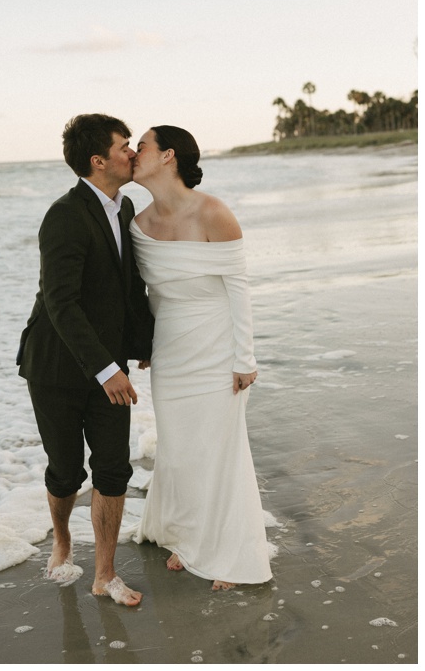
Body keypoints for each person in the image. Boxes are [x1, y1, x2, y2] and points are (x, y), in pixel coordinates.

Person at [16, 113, 154, 607]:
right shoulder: (64, 215)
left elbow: (128, 289)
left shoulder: (125, 207)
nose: (133, 153)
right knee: (66, 470)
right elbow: (60, 302)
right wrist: (105, 370)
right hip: (55, 366)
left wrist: (145, 349)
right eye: (124, 147)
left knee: (114, 469)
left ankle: (105, 574)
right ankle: (62, 539)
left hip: (108, 363)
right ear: (98, 161)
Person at [128, 125, 272, 588]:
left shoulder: (213, 213)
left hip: (216, 344)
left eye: (142, 145)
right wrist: (145, 344)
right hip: (171, 347)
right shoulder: (138, 224)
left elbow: (238, 288)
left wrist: (244, 358)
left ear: (168, 156)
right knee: (180, 446)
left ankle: (226, 551)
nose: (133, 152)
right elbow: (150, 293)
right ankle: (184, 534)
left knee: (218, 447)